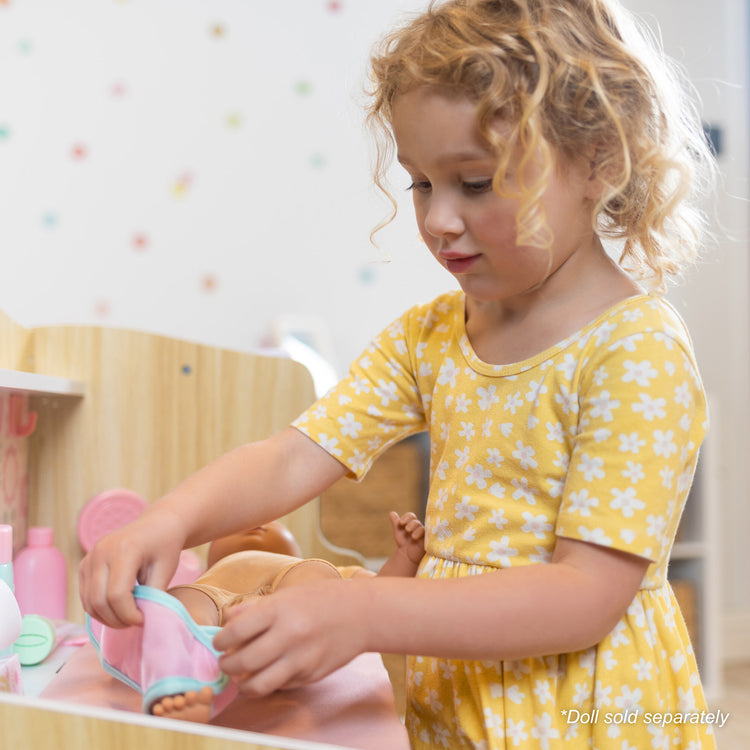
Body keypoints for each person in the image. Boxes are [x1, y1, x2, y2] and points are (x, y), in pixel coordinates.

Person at [79, 0, 718, 747]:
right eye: (419, 183)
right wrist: (171, 519)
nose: (438, 220)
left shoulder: (636, 353)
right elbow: (295, 455)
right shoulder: (434, 336)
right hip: (454, 710)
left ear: (599, 160)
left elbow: (585, 596)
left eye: (473, 183)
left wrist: (364, 614)